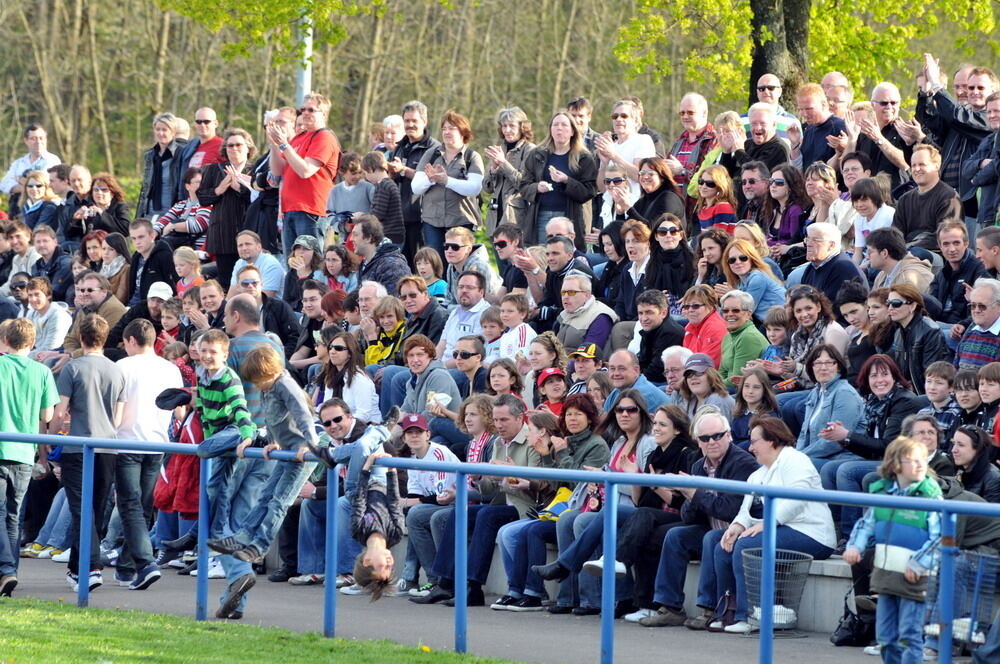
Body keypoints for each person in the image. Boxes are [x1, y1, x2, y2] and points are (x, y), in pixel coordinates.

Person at [711, 416, 836, 633]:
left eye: (754, 442)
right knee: (722, 544)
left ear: (772, 440)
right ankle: (727, 613)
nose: (750, 448)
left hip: (813, 534)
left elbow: (798, 498)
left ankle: (751, 616)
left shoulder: (795, 459)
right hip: (782, 529)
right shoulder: (757, 474)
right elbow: (746, 512)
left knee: (747, 545)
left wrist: (768, 524)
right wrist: (737, 526)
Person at [638, 408, 758, 628]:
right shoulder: (697, 466)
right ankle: (670, 606)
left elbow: (730, 510)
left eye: (717, 436)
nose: (711, 442)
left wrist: (695, 493)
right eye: (705, 438)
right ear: (698, 442)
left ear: (729, 435)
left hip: (738, 530)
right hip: (710, 527)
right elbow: (688, 517)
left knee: (711, 538)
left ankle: (709, 609)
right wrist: (688, 493)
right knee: (675, 535)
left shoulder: (743, 464)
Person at [206, 344, 318, 576]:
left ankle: (259, 546)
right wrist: (273, 441)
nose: (258, 386)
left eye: (259, 381)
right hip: (286, 451)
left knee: (279, 501)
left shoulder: (285, 384)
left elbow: (302, 415)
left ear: (271, 371)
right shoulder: (269, 388)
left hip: (301, 454)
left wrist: (310, 445)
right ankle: (242, 537)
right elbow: (273, 417)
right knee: (265, 495)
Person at [843, 437, 942, 664]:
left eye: (922, 460)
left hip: (916, 577)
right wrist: (855, 547)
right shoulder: (883, 493)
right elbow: (866, 524)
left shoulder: (931, 496)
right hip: (886, 574)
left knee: (909, 635)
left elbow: (942, 538)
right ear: (896, 465)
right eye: (913, 460)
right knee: (886, 637)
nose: (920, 465)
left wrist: (919, 563)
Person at [51, 314, 126, 592]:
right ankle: (77, 568)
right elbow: (118, 418)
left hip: (78, 447)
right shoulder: (117, 370)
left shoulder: (73, 368)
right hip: (108, 447)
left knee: (81, 510)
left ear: (81, 338)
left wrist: (49, 438)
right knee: (93, 510)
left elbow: (60, 412)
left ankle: (91, 567)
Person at [113, 319, 183, 590]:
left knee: (131, 506)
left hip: (127, 443)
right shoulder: (170, 369)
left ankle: (144, 563)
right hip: (157, 443)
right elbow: (179, 410)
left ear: (131, 341)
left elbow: (115, 408)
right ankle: (127, 566)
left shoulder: (123, 366)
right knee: (140, 507)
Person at [0, 318, 58, 598]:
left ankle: (5, 569)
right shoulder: (42, 371)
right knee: (13, 515)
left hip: (2, 447)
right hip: (24, 450)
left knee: (2, 513)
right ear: (33, 343)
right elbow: (47, 415)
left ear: (5, 341)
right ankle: (9, 571)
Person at [266, 92, 342, 254]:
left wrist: (284, 145)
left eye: (311, 110)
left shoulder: (324, 137)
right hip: (290, 209)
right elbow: (278, 170)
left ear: (323, 114)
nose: (305, 113)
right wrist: (274, 144)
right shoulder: (299, 137)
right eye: (303, 110)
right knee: (293, 263)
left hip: (311, 210)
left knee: (311, 263)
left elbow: (306, 170)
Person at [411, 110, 484, 256]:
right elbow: (416, 187)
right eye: (444, 128)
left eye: (451, 128)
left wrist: (447, 181)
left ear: (463, 132)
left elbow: (475, 188)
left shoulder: (472, 157)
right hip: (432, 222)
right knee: (436, 262)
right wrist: (431, 179)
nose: (446, 132)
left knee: (459, 261)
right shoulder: (431, 154)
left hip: (461, 221)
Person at [347, 450, 405, 601]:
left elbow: (359, 500)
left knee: (363, 448)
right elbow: (394, 502)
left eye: (383, 567)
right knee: (376, 448)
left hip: (358, 485)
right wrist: (391, 469)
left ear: (367, 560)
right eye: (390, 568)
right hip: (382, 483)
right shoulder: (396, 533)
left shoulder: (358, 531)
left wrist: (366, 467)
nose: (390, 563)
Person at [388, 100, 441, 263]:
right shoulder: (399, 147)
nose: (410, 125)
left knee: (423, 264)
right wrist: (391, 172)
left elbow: (432, 179)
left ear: (424, 122)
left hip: (423, 218)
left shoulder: (435, 149)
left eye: (414, 121)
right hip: (399, 217)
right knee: (401, 263)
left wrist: (404, 170)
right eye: (407, 121)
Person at [795, 344, 865, 468]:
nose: (823, 368)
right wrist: (796, 455)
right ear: (811, 367)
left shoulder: (844, 393)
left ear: (838, 367)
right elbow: (803, 433)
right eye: (818, 363)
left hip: (842, 457)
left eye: (829, 363)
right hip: (817, 456)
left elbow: (833, 442)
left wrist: (801, 457)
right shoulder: (815, 392)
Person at [891, 144, 962, 251]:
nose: (916, 169)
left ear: (937, 166)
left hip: (936, 253)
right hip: (906, 251)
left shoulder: (949, 197)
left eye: (922, 164)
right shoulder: (904, 199)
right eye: (913, 165)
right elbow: (896, 233)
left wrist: (910, 248)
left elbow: (945, 236)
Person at [884, 284, 951, 393]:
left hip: (926, 394)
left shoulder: (930, 331)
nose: (890, 308)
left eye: (896, 303)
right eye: (888, 303)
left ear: (912, 306)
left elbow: (932, 373)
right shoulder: (898, 333)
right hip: (907, 393)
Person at [483, 107, 535, 234]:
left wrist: (503, 163)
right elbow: (487, 188)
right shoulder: (499, 149)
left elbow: (523, 183)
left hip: (515, 217)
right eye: (504, 126)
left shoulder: (530, 150)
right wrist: (493, 170)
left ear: (522, 127)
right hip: (495, 216)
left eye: (512, 126)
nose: (507, 130)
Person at [314, 330, 380, 425]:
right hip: (337, 425)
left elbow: (364, 415)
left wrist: (339, 423)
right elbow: (327, 406)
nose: (332, 351)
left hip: (364, 427)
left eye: (338, 348)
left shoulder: (359, 379)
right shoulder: (330, 377)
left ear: (350, 353)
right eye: (330, 347)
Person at [1, 125, 61, 218]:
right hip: (18, 208)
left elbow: (48, 183)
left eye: (41, 138)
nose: (38, 142)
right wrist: (29, 186)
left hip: (43, 208)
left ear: (46, 139)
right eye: (34, 138)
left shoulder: (52, 161)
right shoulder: (18, 163)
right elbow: (4, 184)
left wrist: (20, 180)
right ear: (26, 140)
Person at [136, 113, 187, 218]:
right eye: (157, 129)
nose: (160, 133)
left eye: (164, 130)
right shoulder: (150, 155)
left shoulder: (181, 153)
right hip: (149, 212)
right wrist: (139, 216)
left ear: (173, 132)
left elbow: (183, 189)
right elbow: (145, 188)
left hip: (171, 212)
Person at [962, 91, 1000, 230]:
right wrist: (981, 163)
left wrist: (976, 179)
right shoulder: (988, 140)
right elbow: (966, 168)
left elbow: (997, 166)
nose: (992, 115)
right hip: (985, 214)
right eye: (989, 111)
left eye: (997, 111)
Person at [720, 239, 785, 319]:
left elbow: (744, 313)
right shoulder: (740, 282)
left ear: (752, 259)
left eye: (743, 258)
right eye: (732, 260)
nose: (738, 262)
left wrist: (731, 295)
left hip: (781, 323)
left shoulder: (757, 277)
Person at [351, 215, 410, 297]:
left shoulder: (391, 265)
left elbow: (395, 302)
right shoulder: (365, 264)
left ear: (368, 238)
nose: (351, 239)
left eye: (355, 235)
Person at [154, 167, 210, 252]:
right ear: (187, 186)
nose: (202, 185)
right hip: (178, 250)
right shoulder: (181, 205)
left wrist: (173, 226)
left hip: (197, 252)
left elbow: (198, 225)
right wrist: (154, 232)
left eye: (204, 182)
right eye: (198, 182)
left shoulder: (207, 204)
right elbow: (164, 220)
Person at [719, 290, 768, 387]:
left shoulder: (748, 337)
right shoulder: (728, 336)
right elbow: (722, 373)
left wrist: (712, 387)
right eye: (725, 311)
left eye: (736, 310)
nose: (729, 314)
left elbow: (737, 380)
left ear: (749, 314)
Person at [792, 83, 847, 169]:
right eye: (801, 109)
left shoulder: (839, 127)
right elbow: (802, 165)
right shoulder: (809, 129)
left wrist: (845, 148)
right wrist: (794, 144)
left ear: (824, 105)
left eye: (809, 109)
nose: (804, 114)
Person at [442, 226, 501, 306]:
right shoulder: (451, 266)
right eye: (446, 246)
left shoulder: (478, 266)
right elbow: (449, 300)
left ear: (468, 249)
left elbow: (476, 305)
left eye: (455, 247)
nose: (449, 251)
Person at [646, 214, 695, 308]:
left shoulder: (692, 260)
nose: (668, 235)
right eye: (662, 232)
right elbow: (648, 292)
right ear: (656, 237)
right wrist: (657, 299)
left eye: (673, 231)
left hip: (688, 309)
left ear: (681, 235)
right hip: (660, 310)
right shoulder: (652, 262)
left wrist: (689, 297)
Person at [127, 219, 178, 306]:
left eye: (141, 237)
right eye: (134, 238)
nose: (137, 242)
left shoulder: (164, 256)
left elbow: (173, 287)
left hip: (153, 307)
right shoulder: (136, 257)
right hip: (132, 305)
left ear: (152, 236)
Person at [173, 107, 223, 196]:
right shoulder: (190, 148)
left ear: (215, 123)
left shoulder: (223, 146)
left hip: (212, 199)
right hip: (190, 199)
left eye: (206, 121)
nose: (202, 125)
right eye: (199, 122)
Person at [622, 157, 686, 227]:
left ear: (662, 178)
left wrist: (628, 207)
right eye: (642, 173)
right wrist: (620, 213)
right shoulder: (642, 201)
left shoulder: (669, 198)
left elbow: (652, 228)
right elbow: (625, 229)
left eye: (650, 173)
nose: (645, 177)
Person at [866, 227, 931, 292]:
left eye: (869, 252)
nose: (867, 257)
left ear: (884, 253)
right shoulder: (882, 275)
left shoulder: (910, 278)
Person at [360, 151, 404, 246]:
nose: (366, 177)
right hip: (394, 235)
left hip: (390, 235)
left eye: (365, 173)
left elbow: (378, 214)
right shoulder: (387, 184)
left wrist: (360, 217)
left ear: (370, 169)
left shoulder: (383, 186)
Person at [955, 278, 1000, 371]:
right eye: (973, 306)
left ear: (998, 307)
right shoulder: (971, 330)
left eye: (982, 306)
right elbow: (956, 367)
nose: (976, 310)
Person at [604, 349, 669, 412]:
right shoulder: (617, 391)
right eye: (612, 369)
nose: (616, 373)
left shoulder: (643, 394)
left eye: (621, 368)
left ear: (636, 370)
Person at [675, 352, 736, 419]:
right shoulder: (692, 399)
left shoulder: (717, 400)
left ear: (711, 376)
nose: (693, 377)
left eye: (699, 373)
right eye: (689, 374)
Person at [680, 285, 726, 367]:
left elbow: (707, 366)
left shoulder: (715, 328)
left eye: (696, 306)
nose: (690, 310)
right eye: (686, 306)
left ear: (711, 305)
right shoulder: (690, 326)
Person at [951, 425, 1000, 502]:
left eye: (961, 445)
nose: (953, 450)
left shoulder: (993, 478)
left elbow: (991, 508)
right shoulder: (955, 471)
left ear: (978, 449)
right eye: (954, 443)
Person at [25, 276, 71, 357]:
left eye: (37, 295)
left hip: (53, 358)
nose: (33, 299)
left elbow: (51, 348)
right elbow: (23, 341)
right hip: (33, 355)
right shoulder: (31, 313)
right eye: (30, 295)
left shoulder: (59, 316)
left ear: (48, 295)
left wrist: (21, 356)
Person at [30, 225, 73, 303]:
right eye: (38, 242)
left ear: (55, 242)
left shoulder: (66, 263)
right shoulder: (36, 266)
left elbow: (56, 293)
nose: (41, 245)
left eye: (45, 241)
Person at [693, 165, 737, 232]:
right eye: (701, 182)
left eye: (710, 184)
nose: (704, 186)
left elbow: (717, 236)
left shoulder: (722, 207)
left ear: (720, 187)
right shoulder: (703, 208)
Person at [99, 232, 131, 304]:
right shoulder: (102, 268)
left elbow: (120, 298)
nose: (106, 252)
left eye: (111, 249)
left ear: (119, 250)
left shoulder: (126, 268)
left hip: (114, 307)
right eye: (103, 249)